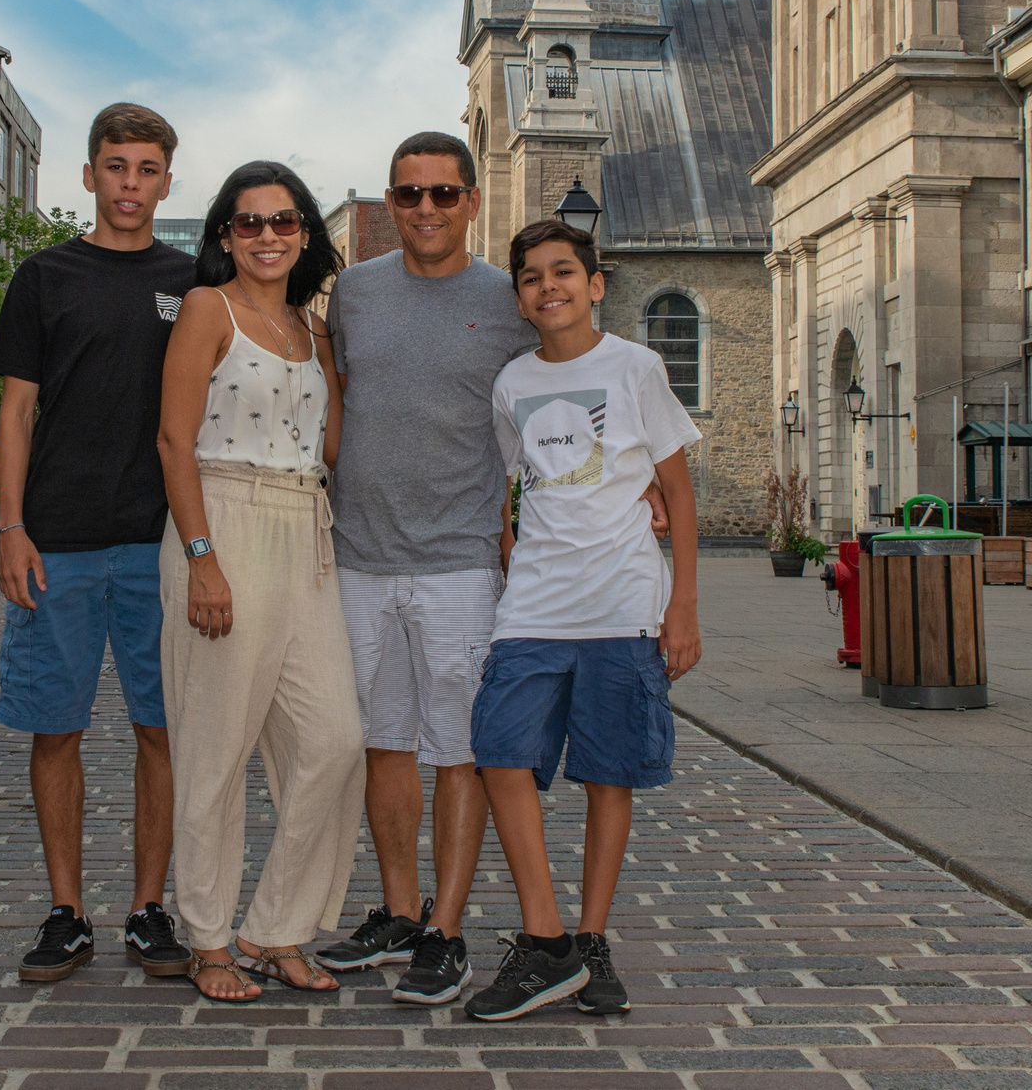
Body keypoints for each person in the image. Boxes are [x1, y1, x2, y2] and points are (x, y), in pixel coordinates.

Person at [310, 133, 537, 1005]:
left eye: (444, 194)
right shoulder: (356, 293)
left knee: (461, 748)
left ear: (473, 201)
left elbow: (556, 398)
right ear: (390, 203)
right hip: (360, 556)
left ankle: (447, 927)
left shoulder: (507, 301)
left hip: (458, 563)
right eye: (409, 195)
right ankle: (400, 911)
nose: (426, 209)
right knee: (383, 740)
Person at [464, 218, 702, 1023]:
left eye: (563, 271)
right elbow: (517, 487)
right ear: (521, 297)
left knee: (609, 773)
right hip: (533, 603)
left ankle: (590, 941)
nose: (548, 286)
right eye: (531, 276)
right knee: (498, 749)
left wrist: (684, 605)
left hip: (623, 605)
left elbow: (677, 491)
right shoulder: (511, 383)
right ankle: (545, 936)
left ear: (595, 283)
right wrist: (508, 546)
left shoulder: (635, 367)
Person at [0, 102, 197, 985]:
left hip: (160, 547)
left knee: (166, 731)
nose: (130, 185)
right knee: (55, 729)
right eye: (116, 166)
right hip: (58, 543)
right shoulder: (44, 276)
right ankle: (66, 910)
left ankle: (150, 909)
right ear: (88, 175)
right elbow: (16, 410)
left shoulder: (194, 282)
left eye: (147, 169)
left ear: (166, 180)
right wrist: (9, 526)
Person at [155, 162, 364, 1004]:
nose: (267, 235)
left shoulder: (317, 332)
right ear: (224, 237)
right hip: (223, 519)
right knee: (213, 749)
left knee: (335, 739)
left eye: (283, 221)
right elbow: (173, 441)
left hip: (304, 527)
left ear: (306, 232)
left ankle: (276, 923)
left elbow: (337, 451)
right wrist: (203, 555)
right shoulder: (209, 310)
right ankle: (208, 939)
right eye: (248, 223)